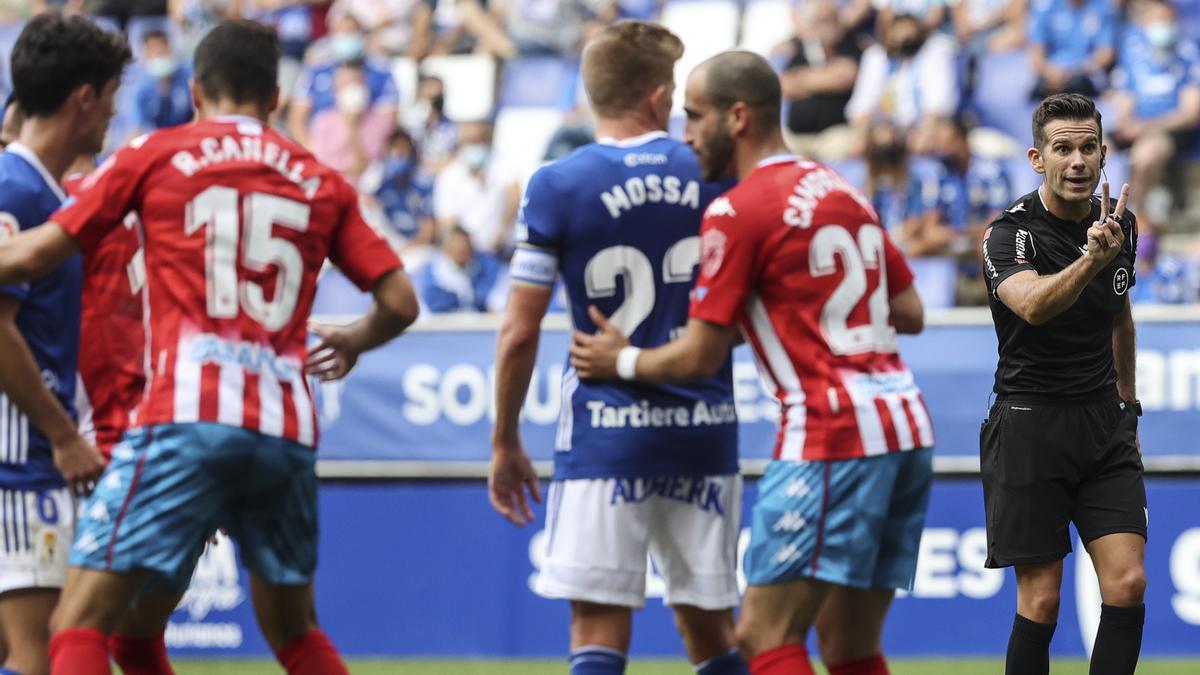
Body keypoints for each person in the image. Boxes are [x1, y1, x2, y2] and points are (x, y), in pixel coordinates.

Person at [0, 20, 421, 674]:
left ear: (194, 91)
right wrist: (355, 339)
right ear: (276, 98)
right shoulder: (321, 180)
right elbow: (400, 303)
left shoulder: (155, 155)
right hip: (284, 425)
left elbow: (31, 257)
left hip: (185, 414)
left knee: (78, 624)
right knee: (297, 633)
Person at [570, 50, 933, 675]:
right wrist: (791, 313)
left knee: (763, 636)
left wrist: (621, 359)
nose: (686, 134)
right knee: (849, 645)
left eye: (695, 116)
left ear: (737, 118)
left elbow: (699, 355)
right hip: (904, 426)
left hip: (831, 431)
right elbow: (910, 310)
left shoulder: (737, 209)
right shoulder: (840, 188)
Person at [490, 21, 748, 675]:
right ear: (660, 97)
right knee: (711, 627)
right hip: (704, 428)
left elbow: (519, 332)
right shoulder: (719, 173)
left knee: (598, 622)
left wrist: (504, 439)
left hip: (606, 432)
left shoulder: (555, 183)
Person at [977, 93, 1146, 675]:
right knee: (1042, 600)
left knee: (1127, 583)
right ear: (1037, 158)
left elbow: (1120, 315)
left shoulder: (1121, 224)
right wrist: (1089, 262)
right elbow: (1032, 306)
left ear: (1104, 154)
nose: (1078, 161)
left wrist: (1129, 407)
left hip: (1103, 422)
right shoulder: (1008, 234)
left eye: (1088, 147)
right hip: (1029, 421)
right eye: (1063, 148)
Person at [0, 13, 129, 675]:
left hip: (26, 460)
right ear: (85, 97)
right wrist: (61, 434)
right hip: (22, 464)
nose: (113, 113)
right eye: (111, 95)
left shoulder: (39, 191)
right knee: (43, 658)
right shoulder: (16, 190)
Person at [1110, 0, 1200, 230]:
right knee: (1092, 145)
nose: (1162, 26)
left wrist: (1146, 127)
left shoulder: (1188, 54)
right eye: (1156, 20)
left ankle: (1129, 218)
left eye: (1166, 20)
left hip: (1171, 131)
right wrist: (1127, 122)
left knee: (1146, 154)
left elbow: (1190, 114)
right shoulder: (1135, 53)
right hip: (1136, 126)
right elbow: (1125, 98)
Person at [1026, 0, 1116, 99]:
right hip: (1051, 73)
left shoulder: (1102, 7)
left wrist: (1074, 71)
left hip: (1084, 75)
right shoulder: (1045, 6)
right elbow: (1036, 52)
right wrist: (1049, 71)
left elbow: (1105, 53)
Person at [419, 225, 503, 313]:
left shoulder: (488, 264)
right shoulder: (433, 272)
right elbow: (435, 305)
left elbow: (494, 299)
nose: (461, 247)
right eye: (454, 245)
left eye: (464, 244)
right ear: (445, 248)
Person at [133, 29, 194, 132]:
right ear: (146, 54)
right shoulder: (141, 89)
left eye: (163, 48)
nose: (159, 53)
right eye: (154, 50)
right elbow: (141, 125)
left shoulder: (188, 75)